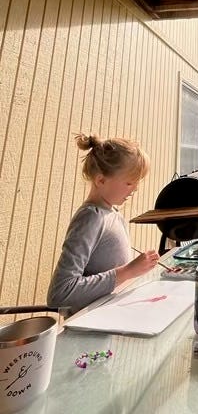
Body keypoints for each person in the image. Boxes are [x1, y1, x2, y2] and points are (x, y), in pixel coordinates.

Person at [47, 133, 160, 313]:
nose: (136, 189)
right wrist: (128, 271)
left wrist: (140, 267)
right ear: (101, 180)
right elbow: (60, 293)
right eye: (130, 183)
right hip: (90, 333)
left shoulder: (111, 212)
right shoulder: (90, 218)